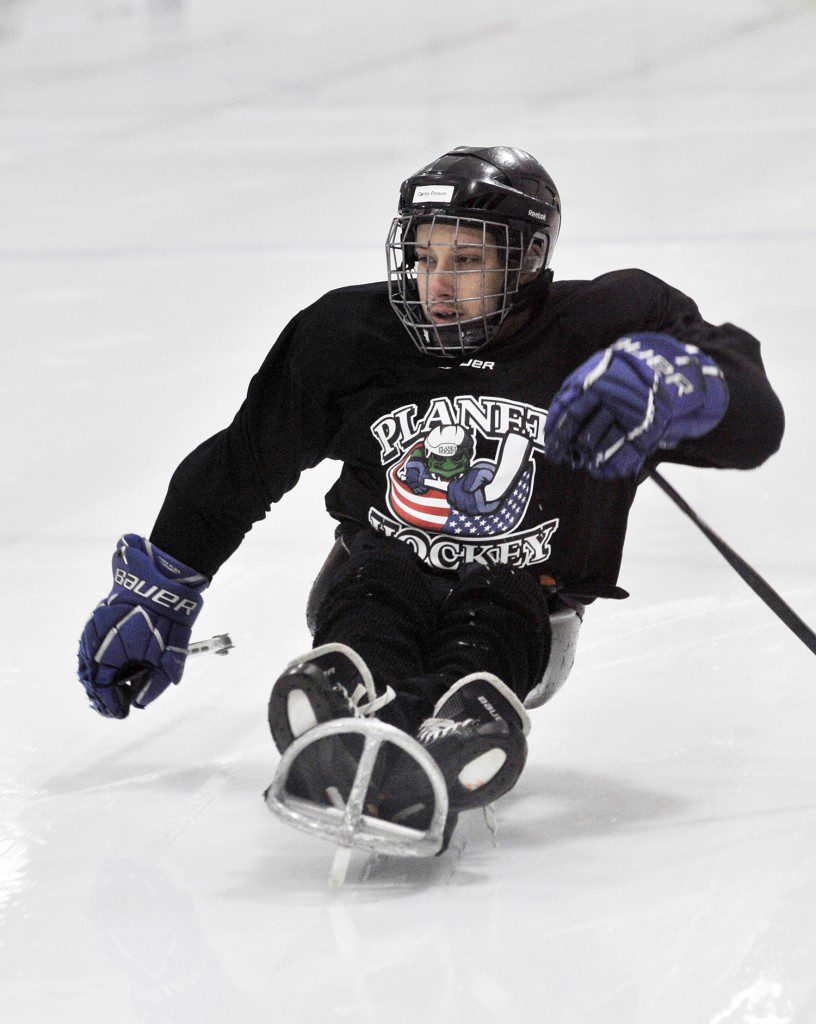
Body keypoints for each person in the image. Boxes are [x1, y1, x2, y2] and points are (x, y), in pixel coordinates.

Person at [77, 146, 785, 851]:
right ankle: (347, 686)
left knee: (495, 613)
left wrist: (684, 381)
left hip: (525, 599)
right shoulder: (349, 335)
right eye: (423, 258)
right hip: (374, 567)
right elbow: (245, 462)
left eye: (467, 262)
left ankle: (462, 714)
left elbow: (756, 426)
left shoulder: (607, 325)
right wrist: (164, 582)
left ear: (531, 256)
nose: (435, 285)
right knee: (376, 587)